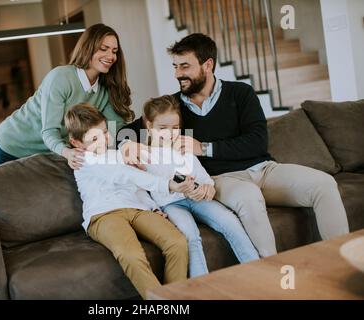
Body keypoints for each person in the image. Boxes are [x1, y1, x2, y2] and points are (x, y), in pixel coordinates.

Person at [166, 33, 349, 257]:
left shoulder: (241, 93)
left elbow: (257, 141)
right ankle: (271, 277)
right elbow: (134, 131)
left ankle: (341, 264)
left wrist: (203, 148)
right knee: (249, 196)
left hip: (264, 170)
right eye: (175, 66)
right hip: (221, 179)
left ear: (208, 65)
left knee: (324, 184)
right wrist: (119, 140)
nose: (177, 74)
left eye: (184, 66)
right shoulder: (172, 106)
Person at [65, 103, 191, 299]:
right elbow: (123, 174)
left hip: (138, 208)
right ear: (76, 143)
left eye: (105, 132)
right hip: (104, 215)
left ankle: (173, 298)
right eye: (94, 138)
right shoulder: (83, 160)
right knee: (131, 255)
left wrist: (153, 207)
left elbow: (135, 186)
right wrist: (168, 185)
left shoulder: (117, 155)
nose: (105, 140)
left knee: (177, 242)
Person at [134, 95, 259, 278]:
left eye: (175, 128)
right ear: (149, 126)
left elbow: (203, 177)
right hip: (171, 205)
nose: (170, 134)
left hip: (195, 199)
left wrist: (208, 187)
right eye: (163, 128)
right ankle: (201, 288)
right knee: (190, 235)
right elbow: (140, 189)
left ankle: (257, 271)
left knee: (229, 220)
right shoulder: (143, 155)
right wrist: (153, 208)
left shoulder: (183, 148)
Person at [0, 23, 134, 168]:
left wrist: (127, 145)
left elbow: (115, 128)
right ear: (88, 48)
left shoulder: (106, 88)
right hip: (11, 144)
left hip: (48, 152)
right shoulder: (61, 77)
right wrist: (67, 152)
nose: (110, 56)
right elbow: (49, 131)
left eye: (114, 51)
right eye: (103, 49)